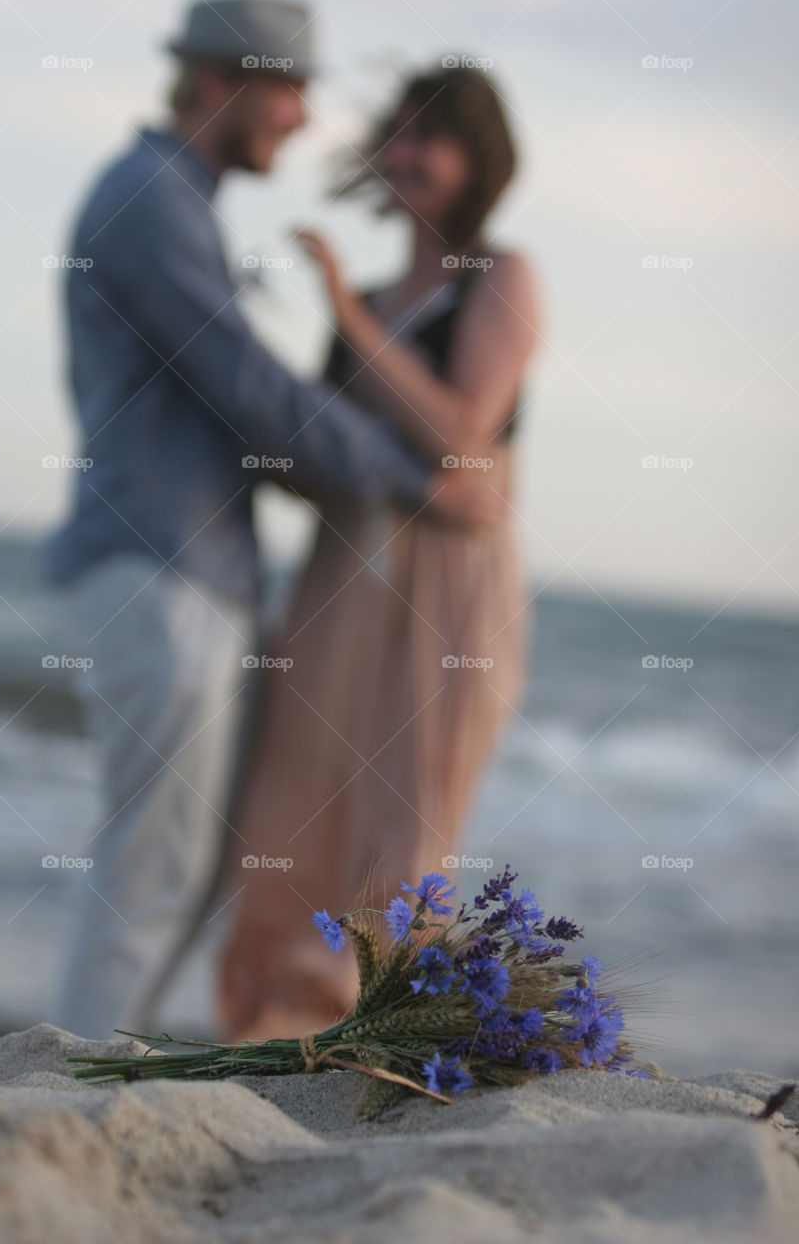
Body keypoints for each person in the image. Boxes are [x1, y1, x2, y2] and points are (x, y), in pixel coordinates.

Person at [41, 0, 499, 1042]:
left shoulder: (172, 199)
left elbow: (253, 406)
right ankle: (54, 1097)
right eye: (288, 88)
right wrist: (415, 481)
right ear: (220, 83)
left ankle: (89, 1083)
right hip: (160, 573)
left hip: (186, 572)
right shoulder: (150, 201)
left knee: (183, 869)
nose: (301, 117)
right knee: (150, 871)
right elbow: (249, 387)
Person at [216, 62, 541, 1042]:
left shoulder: (502, 275)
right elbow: (318, 458)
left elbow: (460, 432)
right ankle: (266, 1035)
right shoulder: (361, 291)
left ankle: (373, 1036)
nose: (403, 156)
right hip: (334, 576)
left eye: (428, 137)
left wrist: (345, 314)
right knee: (292, 807)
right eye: (394, 134)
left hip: (452, 585)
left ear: (478, 159)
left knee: (409, 821)